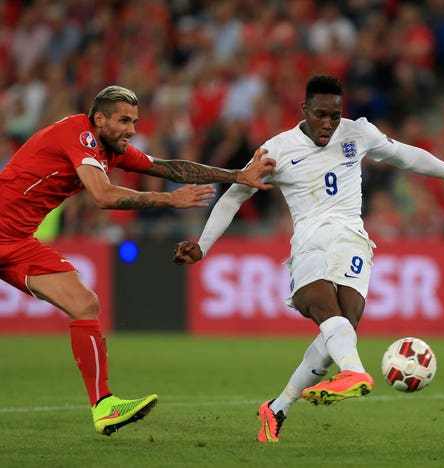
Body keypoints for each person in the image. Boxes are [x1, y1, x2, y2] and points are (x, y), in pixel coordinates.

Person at [173, 75, 444, 443]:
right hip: (311, 241)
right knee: (320, 307)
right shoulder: (277, 149)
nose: (329, 124)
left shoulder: (357, 133)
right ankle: (355, 372)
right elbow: (236, 195)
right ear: (304, 110)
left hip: (352, 241)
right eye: (321, 115)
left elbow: (407, 156)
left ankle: (277, 407)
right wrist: (204, 244)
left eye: (335, 115)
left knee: (340, 328)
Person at [0, 85, 275, 436]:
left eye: (135, 121)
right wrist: (168, 201)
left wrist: (237, 176)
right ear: (99, 119)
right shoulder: (78, 135)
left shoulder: (110, 150)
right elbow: (102, 195)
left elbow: (171, 168)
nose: (131, 129)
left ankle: (104, 406)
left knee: (85, 303)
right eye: (124, 121)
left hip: (16, 241)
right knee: (86, 302)